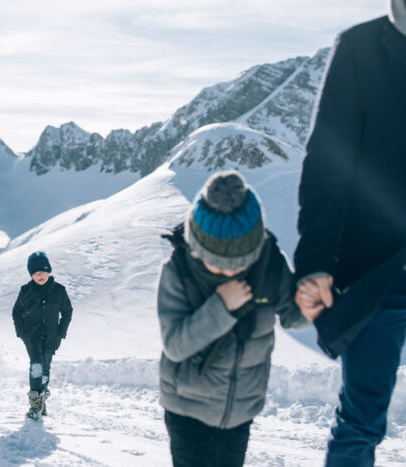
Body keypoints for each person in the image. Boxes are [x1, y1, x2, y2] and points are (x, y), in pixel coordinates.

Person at [293, 2, 406, 465]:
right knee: (361, 421)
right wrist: (315, 265)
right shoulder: (362, 49)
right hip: (378, 272)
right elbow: (327, 166)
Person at [157, 171, 307, 467]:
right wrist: (222, 307)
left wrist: (313, 307)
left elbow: (293, 316)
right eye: (215, 262)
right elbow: (175, 344)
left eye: (239, 263)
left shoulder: (269, 264)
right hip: (187, 409)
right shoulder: (178, 271)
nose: (227, 271)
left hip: (240, 410)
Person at [12, 251, 73, 420]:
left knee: (45, 369)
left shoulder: (59, 290)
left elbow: (67, 312)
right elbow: (16, 313)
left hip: (52, 338)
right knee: (36, 367)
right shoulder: (25, 290)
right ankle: (35, 404)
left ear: (49, 272)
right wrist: (21, 333)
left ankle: (42, 399)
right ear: (31, 274)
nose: (40, 276)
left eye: (43, 272)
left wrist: (61, 332)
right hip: (31, 338)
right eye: (36, 273)